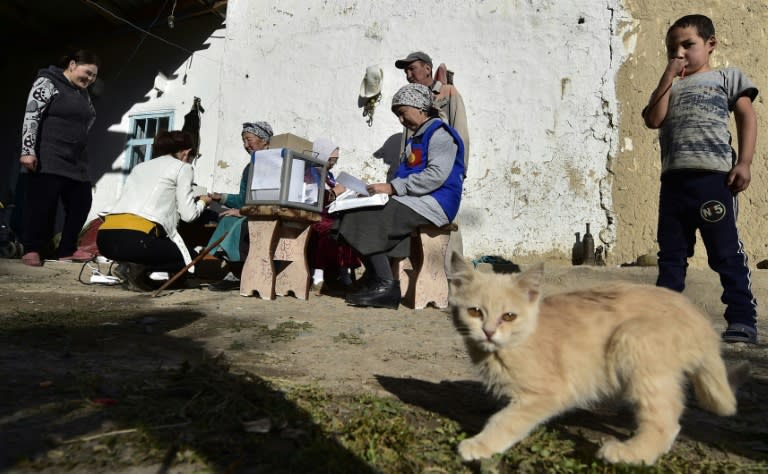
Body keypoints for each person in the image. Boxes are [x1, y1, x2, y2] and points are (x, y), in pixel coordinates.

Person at [642, 14, 759, 344]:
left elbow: (747, 116)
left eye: (687, 45)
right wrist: (668, 75)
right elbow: (654, 119)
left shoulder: (727, 77)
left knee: (725, 253)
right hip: (674, 183)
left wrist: (745, 162)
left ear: (710, 45)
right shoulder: (670, 87)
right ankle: (664, 323)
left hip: (714, 181)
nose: (678, 53)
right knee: (671, 256)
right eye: (671, 49)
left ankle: (742, 319)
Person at [333, 83, 464, 309]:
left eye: (403, 113)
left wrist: (393, 188)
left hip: (436, 203)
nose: (401, 121)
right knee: (345, 216)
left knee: (369, 216)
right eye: (397, 116)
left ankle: (386, 285)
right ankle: (377, 277)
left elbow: (436, 175)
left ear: (420, 108)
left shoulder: (440, 135)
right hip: (415, 201)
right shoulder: (417, 138)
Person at [96, 131, 212, 291]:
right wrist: (203, 202)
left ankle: (129, 267)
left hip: (105, 239)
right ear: (186, 152)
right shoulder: (183, 168)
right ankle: (136, 268)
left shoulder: (140, 167)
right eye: (193, 156)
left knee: (151, 249)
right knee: (192, 259)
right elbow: (189, 215)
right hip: (136, 240)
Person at [18, 49, 100, 266]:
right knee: (43, 205)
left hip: (76, 160)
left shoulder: (83, 92)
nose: (90, 79)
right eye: (87, 73)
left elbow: (90, 117)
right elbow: (32, 114)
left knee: (82, 202)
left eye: (94, 76)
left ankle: (67, 249)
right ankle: (32, 249)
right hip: (49, 155)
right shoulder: (47, 82)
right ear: (72, 65)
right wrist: (28, 150)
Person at [395, 51, 469, 267]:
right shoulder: (409, 99)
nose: (408, 74)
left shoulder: (447, 93)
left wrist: (459, 170)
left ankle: (453, 275)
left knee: (447, 224)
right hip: (415, 174)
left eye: (412, 68)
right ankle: (418, 273)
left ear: (428, 68)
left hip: (443, 173)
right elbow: (407, 140)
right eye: (405, 71)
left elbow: (460, 131)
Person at [206, 121, 273, 291]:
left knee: (239, 224)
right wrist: (221, 198)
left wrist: (243, 211)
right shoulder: (249, 168)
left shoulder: (276, 164)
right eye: (243, 141)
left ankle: (241, 273)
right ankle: (236, 272)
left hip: (269, 213)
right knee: (227, 219)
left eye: (249, 139)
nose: (246, 145)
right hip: (251, 212)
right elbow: (244, 198)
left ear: (264, 140)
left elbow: (271, 198)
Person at [308, 138, 361, 293]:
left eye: (335, 161)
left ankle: (345, 273)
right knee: (330, 229)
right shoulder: (310, 172)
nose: (333, 164)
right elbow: (313, 198)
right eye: (331, 160)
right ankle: (318, 276)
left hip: (333, 212)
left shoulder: (328, 175)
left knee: (349, 226)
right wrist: (335, 193)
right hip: (316, 214)